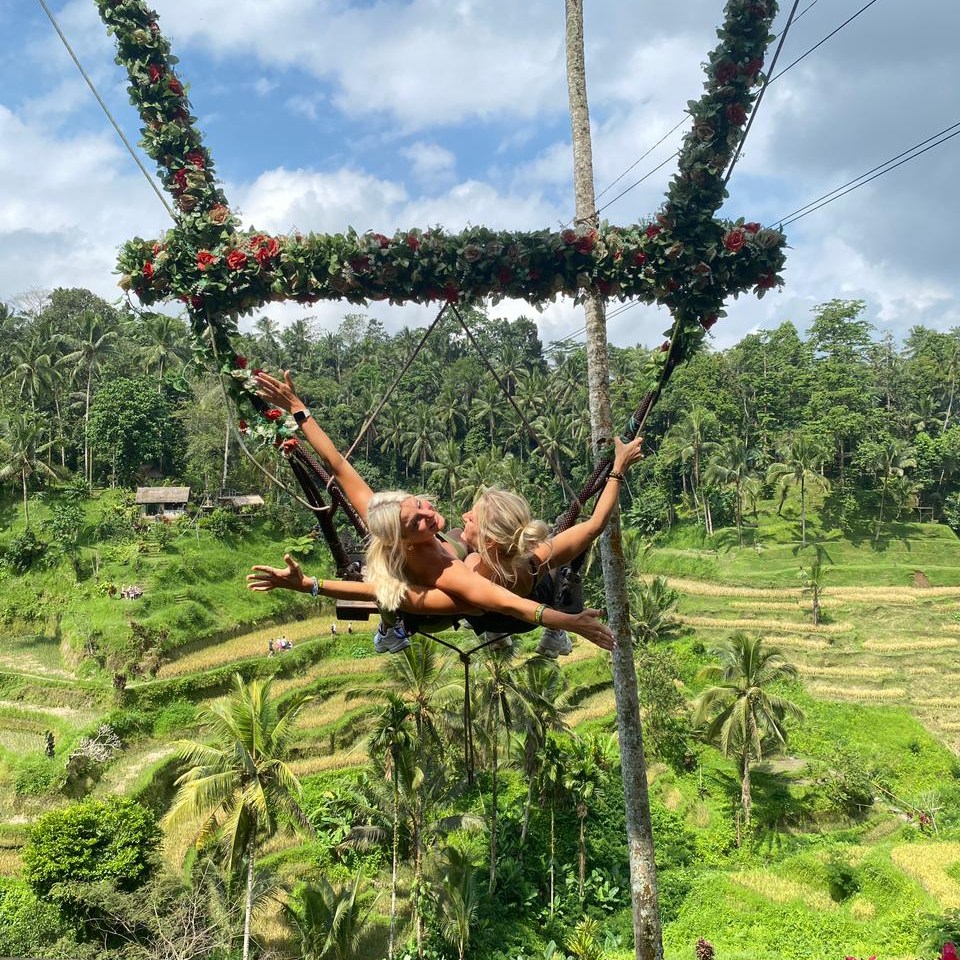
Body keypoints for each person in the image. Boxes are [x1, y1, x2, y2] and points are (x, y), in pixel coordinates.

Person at [250, 370, 618, 654]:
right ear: (405, 540)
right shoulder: (451, 572)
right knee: (482, 561)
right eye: (418, 522)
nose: (429, 513)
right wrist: (308, 585)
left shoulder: (385, 516)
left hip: (502, 588)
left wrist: (299, 409)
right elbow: (514, 605)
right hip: (444, 612)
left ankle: (399, 627)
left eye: (420, 504)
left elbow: (337, 465)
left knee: (503, 550)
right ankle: (393, 631)